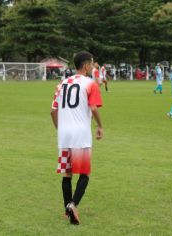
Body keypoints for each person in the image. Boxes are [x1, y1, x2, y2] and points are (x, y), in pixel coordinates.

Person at [50, 51, 103, 225]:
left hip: (64, 134)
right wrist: (100, 126)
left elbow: (53, 111)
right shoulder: (90, 84)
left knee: (67, 174)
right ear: (87, 65)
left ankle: (67, 209)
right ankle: (73, 205)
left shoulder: (62, 84)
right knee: (84, 173)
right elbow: (94, 108)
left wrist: (60, 129)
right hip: (80, 133)